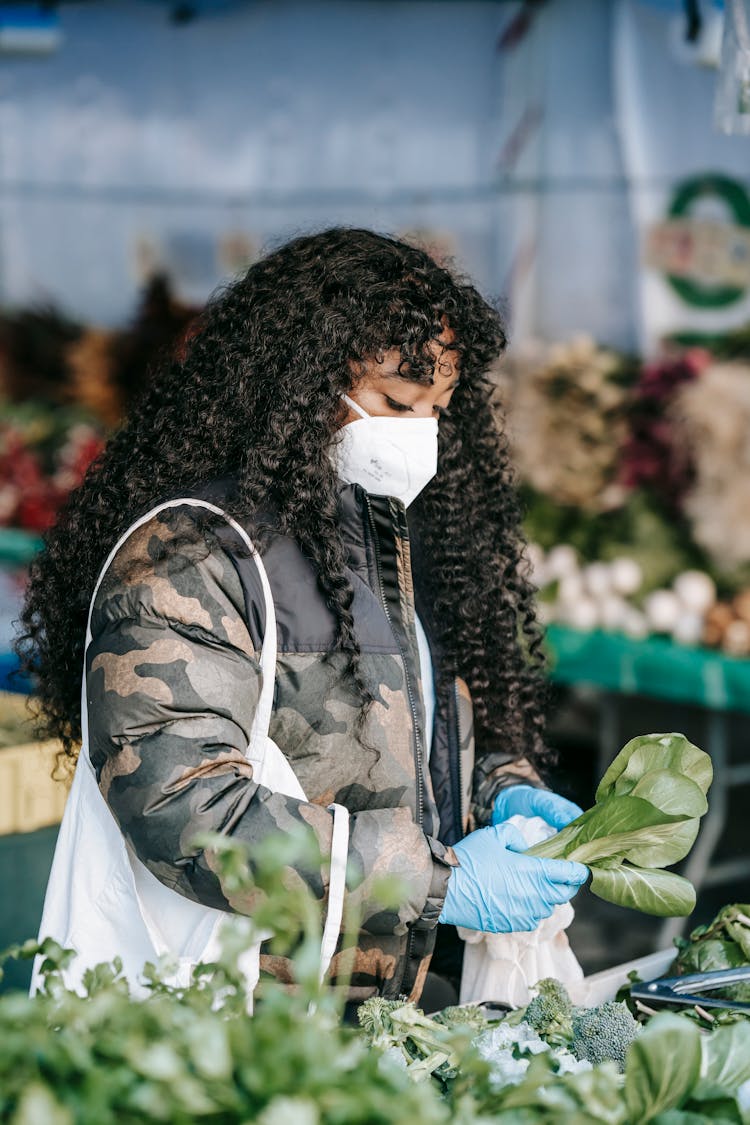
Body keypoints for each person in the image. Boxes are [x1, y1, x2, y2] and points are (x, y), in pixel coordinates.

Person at [19, 227, 587, 1008]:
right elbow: (184, 806)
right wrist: (437, 883)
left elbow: (409, 746)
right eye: (395, 401)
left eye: (438, 409)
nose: (418, 432)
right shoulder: (189, 556)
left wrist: (500, 792)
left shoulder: (403, 543)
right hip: (224, 1026)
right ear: (302, 378)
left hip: (374, 1019)